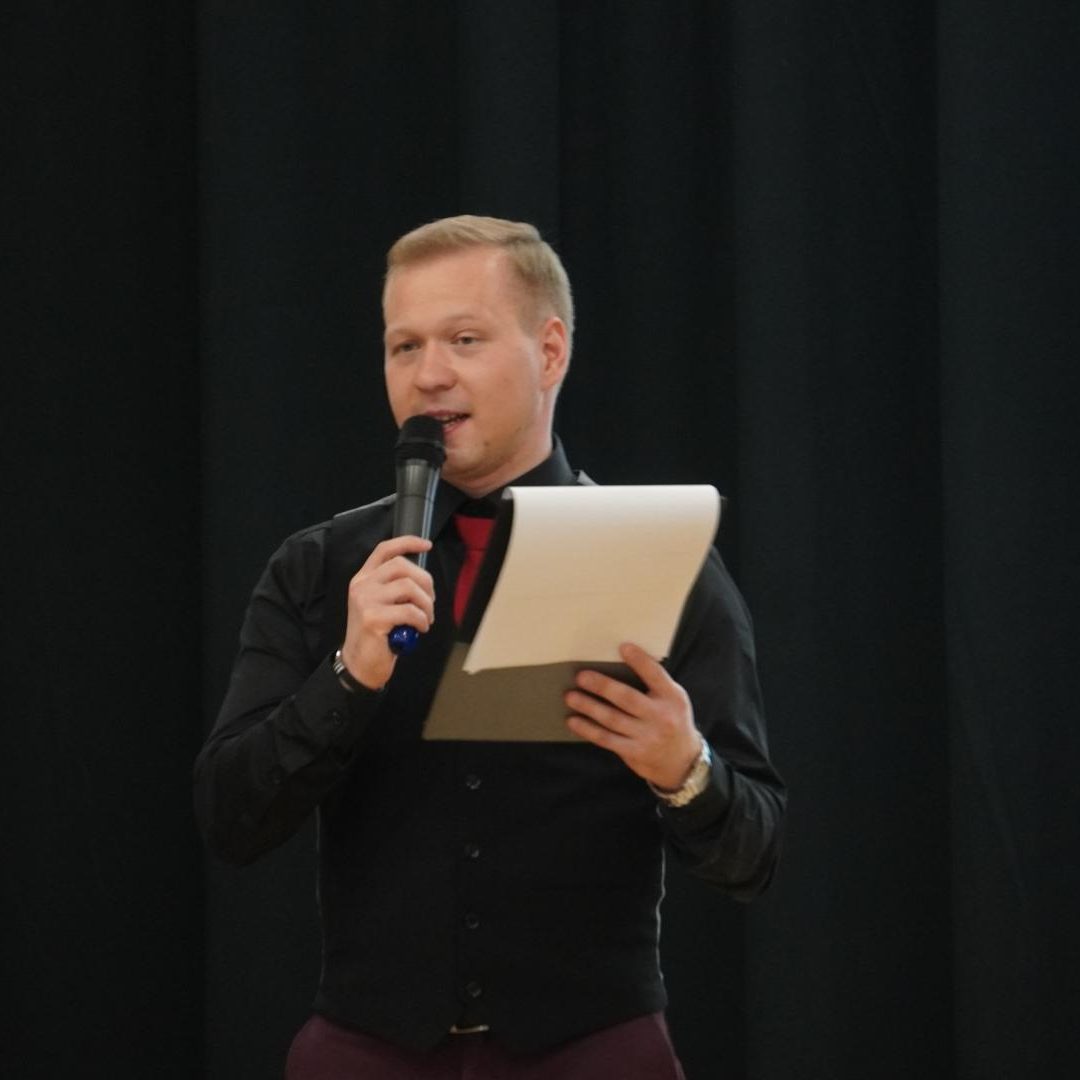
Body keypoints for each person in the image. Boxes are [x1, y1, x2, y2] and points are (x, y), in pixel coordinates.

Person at [194, 215, 785, 1079]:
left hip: (592, 1052)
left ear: (550, 352)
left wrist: (683, 769)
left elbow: (756, 855)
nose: (429, 374)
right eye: (404, 346)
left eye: (464, 339)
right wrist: (348, 678)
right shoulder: (319, 568)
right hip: (366, 1049)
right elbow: (230, 819)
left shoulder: (659, 557)